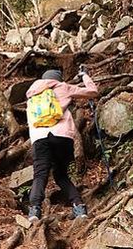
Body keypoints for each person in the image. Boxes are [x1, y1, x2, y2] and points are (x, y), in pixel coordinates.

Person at [26, 67, 98, 222]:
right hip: (62, 136)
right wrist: (84, 75)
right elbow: (93, 91)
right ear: (57, 79)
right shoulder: (63, 87)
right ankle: (79, 208)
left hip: (39, 138)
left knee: (40, 175)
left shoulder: (32, 94)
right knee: (61, 175)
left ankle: (34, 211)